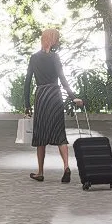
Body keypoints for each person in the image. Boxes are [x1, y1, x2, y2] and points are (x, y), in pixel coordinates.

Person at [23, 27, 81, 182]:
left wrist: (27, 104)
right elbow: (62, 78)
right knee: (59, 133)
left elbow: (27, 82)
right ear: (52, 39)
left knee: (41, 134)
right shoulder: (55, 57)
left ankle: (40, 172)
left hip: (41, 96)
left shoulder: (34, 58)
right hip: (55, 95)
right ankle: (66, 167)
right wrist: (73, 97)